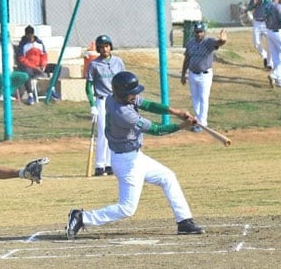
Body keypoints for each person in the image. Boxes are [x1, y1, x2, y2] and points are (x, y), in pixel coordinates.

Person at [66, 71, 203, 240]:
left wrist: (175, 111)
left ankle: (184, 222)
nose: (135, 95)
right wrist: (183, 125)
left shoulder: (113, 97)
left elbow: (148, 105)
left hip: (137, 157)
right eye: (132, 93)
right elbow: (157, 130)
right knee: (127, 208)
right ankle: (82, 217)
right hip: (126, 162)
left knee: (168, 177)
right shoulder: (123, 114)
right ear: (123, 94)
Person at [85, 34, 125, 176]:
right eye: (101, 47)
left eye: (106, 46)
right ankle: (99, 165)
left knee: (114, 132)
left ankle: (110, 164)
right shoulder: (94, 64)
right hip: (101, 100)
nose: (104, 49)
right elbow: (88, 87)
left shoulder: (118, 62)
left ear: (110, 47)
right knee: (102, 132)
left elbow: (123, 82)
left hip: (115, 100)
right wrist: (93, 105)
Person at [180, 22, 227, 133]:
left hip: (205, 75)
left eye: (200, 32)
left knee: (203, 98)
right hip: (192, 74)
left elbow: (219, 43)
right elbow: (187, 59)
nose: (198, 34)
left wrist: (223, 39)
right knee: (195, 98)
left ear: (204, 32)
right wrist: (183, 74)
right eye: (197, 32)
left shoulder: (208, 42)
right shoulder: (190, 43)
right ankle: (198, 120)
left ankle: (202, 123)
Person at [0, 38, 29, 104]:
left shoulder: (9, 46)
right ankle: (0, 94)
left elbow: (11, 61)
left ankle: (6, 93)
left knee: (24, 76)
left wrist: (10, 69)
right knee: (2, 77)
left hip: (8, 72)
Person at [17, 25, 48, 105]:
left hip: (40, 66)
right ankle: (30, 95)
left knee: (57, 67)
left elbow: (44, 55)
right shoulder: (22, 45)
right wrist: (35, 67)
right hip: (30, 67)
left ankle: (51, 89)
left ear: (33, 34)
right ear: (26, 35)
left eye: (31, 35)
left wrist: (43, 65)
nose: (30, 37)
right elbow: (22, 59)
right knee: (26, 73)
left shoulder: (39, 43)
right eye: (28, 35)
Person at [264, 0, 281, 88]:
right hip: (278, 32)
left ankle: (280, 81)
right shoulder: (279, 7)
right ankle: (274, 75)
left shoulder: (267, 6)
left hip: (269, 31)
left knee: (275, 56)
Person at [246, 0, 272, 69]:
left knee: (269, 43)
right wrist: (253, 4)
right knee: (256, 43)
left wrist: (262, 0)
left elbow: (270, 5)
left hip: (266, 21)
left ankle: (269, 63)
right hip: (257, 21)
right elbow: (250, 7)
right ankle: (264, 56)